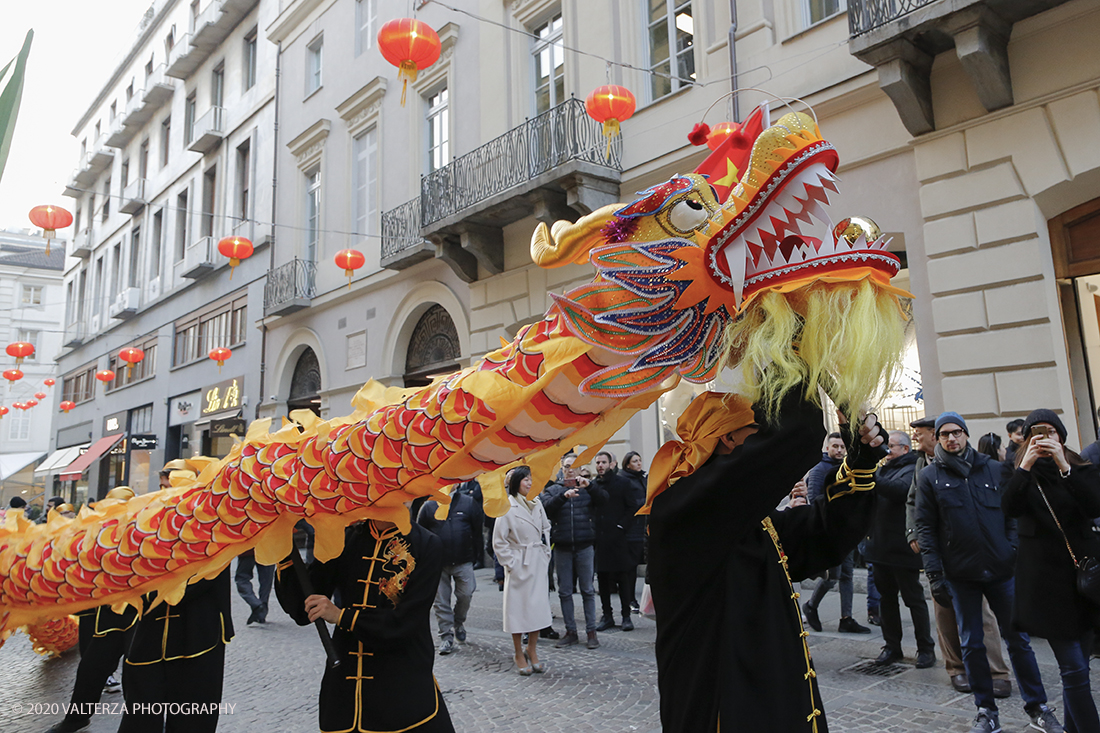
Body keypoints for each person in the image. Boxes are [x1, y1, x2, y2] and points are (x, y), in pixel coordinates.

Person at [647, 389, 885, 732]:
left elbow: (820, 536)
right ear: (729, 438)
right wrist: (793, 355)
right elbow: (795, 435)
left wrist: (860, 461)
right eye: (760, 427)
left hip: (770, 696)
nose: (768, 435)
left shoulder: (744, 514)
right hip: (725, 708)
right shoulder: (685, 508)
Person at [915, 411, 1063, 733]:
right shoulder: (930, 477)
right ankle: (985, 710)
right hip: (960, 574)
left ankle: (1037, 706)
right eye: (944, 434)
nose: (951, 439)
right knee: (972, 643)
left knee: (1019, 641)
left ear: (966, 434)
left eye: (956, 432)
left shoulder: (994, 468)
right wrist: (935, 575)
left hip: (1001, 570)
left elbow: (1013, 512)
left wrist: (1012, 550)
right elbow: (925, 529)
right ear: (938, 439)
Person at [275, 516, 455, 733]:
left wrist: (342, 616)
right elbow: (302, 609)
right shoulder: (345, 538)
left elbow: (406, 623)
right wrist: (282, 546)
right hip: (345, 694)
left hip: (403, 689)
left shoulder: (427, 544)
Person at [1002, 409, 1100, 733]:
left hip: (1084, 584)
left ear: (1061, 436)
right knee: (1074, 670)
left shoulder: (1079, 466)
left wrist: (1066, 467)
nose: (1045, 439)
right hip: (1047, 588)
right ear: (1027, 439)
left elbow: (1095, 505)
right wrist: (1026, 465)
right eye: (1037, 433)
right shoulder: (1019, 473)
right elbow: (1009, 507)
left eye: (1051, 432)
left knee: (1080, 667)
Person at [906, 416, 1012, 697]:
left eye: (921, 434)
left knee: (983, 615)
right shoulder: (923, 466)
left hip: (976, 554)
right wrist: (912, 533)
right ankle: (957, 668)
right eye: (944, 435)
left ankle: (996, 671)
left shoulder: (981, 465)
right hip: (941, 551)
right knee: (945, 611)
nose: (916, 438)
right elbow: (913, 503)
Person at [46, 488, 139, 733]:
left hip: (138, 617)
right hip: (107, 617)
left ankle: (141, 724)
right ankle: (76, 719)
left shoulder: (143, 533)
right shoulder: (101, 534)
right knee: (90, 669)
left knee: (137, 675)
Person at [119, 567, 234, 733]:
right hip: (150, 632)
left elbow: (208, 573)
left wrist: (149, 594)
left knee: (193, 713)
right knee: (141, 710)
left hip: (198, 631)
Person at [865, 431, 935, 668]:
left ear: (905, 449)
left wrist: (871, 477)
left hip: (903, 549)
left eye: (891, 447)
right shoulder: (885, 468)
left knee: (913, 600)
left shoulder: (912, 467)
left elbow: (899, 490)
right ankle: (892, 646)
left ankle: (925, 648)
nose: (887, 451)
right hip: (880, 547)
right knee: (886, 600)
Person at [802, 433, 870, 634]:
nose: (839, 450)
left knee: (847, 575)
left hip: (848, 532)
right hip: (831, 533)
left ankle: (846, 618)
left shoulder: (847, 468)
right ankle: (811, 605)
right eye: (835, 446)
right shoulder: (819, 470)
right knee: (833, 576)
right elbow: (815, 502)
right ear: (827, 447)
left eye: (842, 446)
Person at [541, 453, 608, 649]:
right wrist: (563, 496)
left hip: (585, 544)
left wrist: (591, 486)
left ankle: (591, 632)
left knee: (587, 590)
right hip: (562, 546)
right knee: (564, 591)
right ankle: (571, 631)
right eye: (567, 466)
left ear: (580, 468)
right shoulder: (554, 489)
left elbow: (604, 500)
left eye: (574, 466)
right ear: (562, 469)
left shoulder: (588, 488)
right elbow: (546, 509)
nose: (570, 469)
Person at [492, 466, 553, 675]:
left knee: (537, 609)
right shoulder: (507, 507)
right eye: (525, 479)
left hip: (536, 562)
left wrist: (545, 553)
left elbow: (546, 527)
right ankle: (518, 652)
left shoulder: (537, 503)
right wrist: (512, 562)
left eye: (531, 479)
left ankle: (532, 649)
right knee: (517, 611)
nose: (529, 483)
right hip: (520, 563)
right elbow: (498, 541)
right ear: (517, 481)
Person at [417, 482, 484, 655]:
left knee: (466, 594)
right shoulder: (429, 505)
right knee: (441, 602)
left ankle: (458, 622)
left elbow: (477, 532)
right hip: (437, 564)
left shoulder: (468, 503)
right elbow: (420, 534)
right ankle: (446, 636)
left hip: (464, 560)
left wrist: (476, 557)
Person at [593, 450, 643, 632]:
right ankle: (607, 616)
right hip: (601, 539)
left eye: (603, 462)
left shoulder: (623, 483)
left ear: (612, 464)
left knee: (623, 578)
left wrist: (622, 526)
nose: (600, 466)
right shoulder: (593, 485)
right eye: (598, 463)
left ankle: (626, 616)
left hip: (619, 538)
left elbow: (632, 507)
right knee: (603, 580)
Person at [620, 451, 648, 614]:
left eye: (639, 460)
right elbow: (629, 503)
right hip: (633, 529)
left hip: (645, 526)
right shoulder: (625, 480)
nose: (639, 463)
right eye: (635, 461)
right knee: (631, 567)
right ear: (627, 464)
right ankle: (630, 599)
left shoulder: (643, 478)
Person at [235, 548, 275, 625]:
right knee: (266, 582)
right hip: (268, 548)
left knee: (242, 579)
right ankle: (261, 613)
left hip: (248, 548)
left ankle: (256, 604)